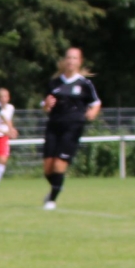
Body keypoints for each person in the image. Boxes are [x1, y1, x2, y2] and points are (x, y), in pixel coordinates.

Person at [40, 47, 100, 210]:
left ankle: (52, 200)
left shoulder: (85, 84)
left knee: (59, 165)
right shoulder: (54, 83)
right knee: (48, 168)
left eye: (74, 58)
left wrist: (92, 113)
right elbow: (45, 106)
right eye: (68, 57)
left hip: (72, 128)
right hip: (53, 127)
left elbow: (96, 103)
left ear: (79, 62)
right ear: (64, 61)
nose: (71, 61)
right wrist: (46, 105)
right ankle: (57, 186)